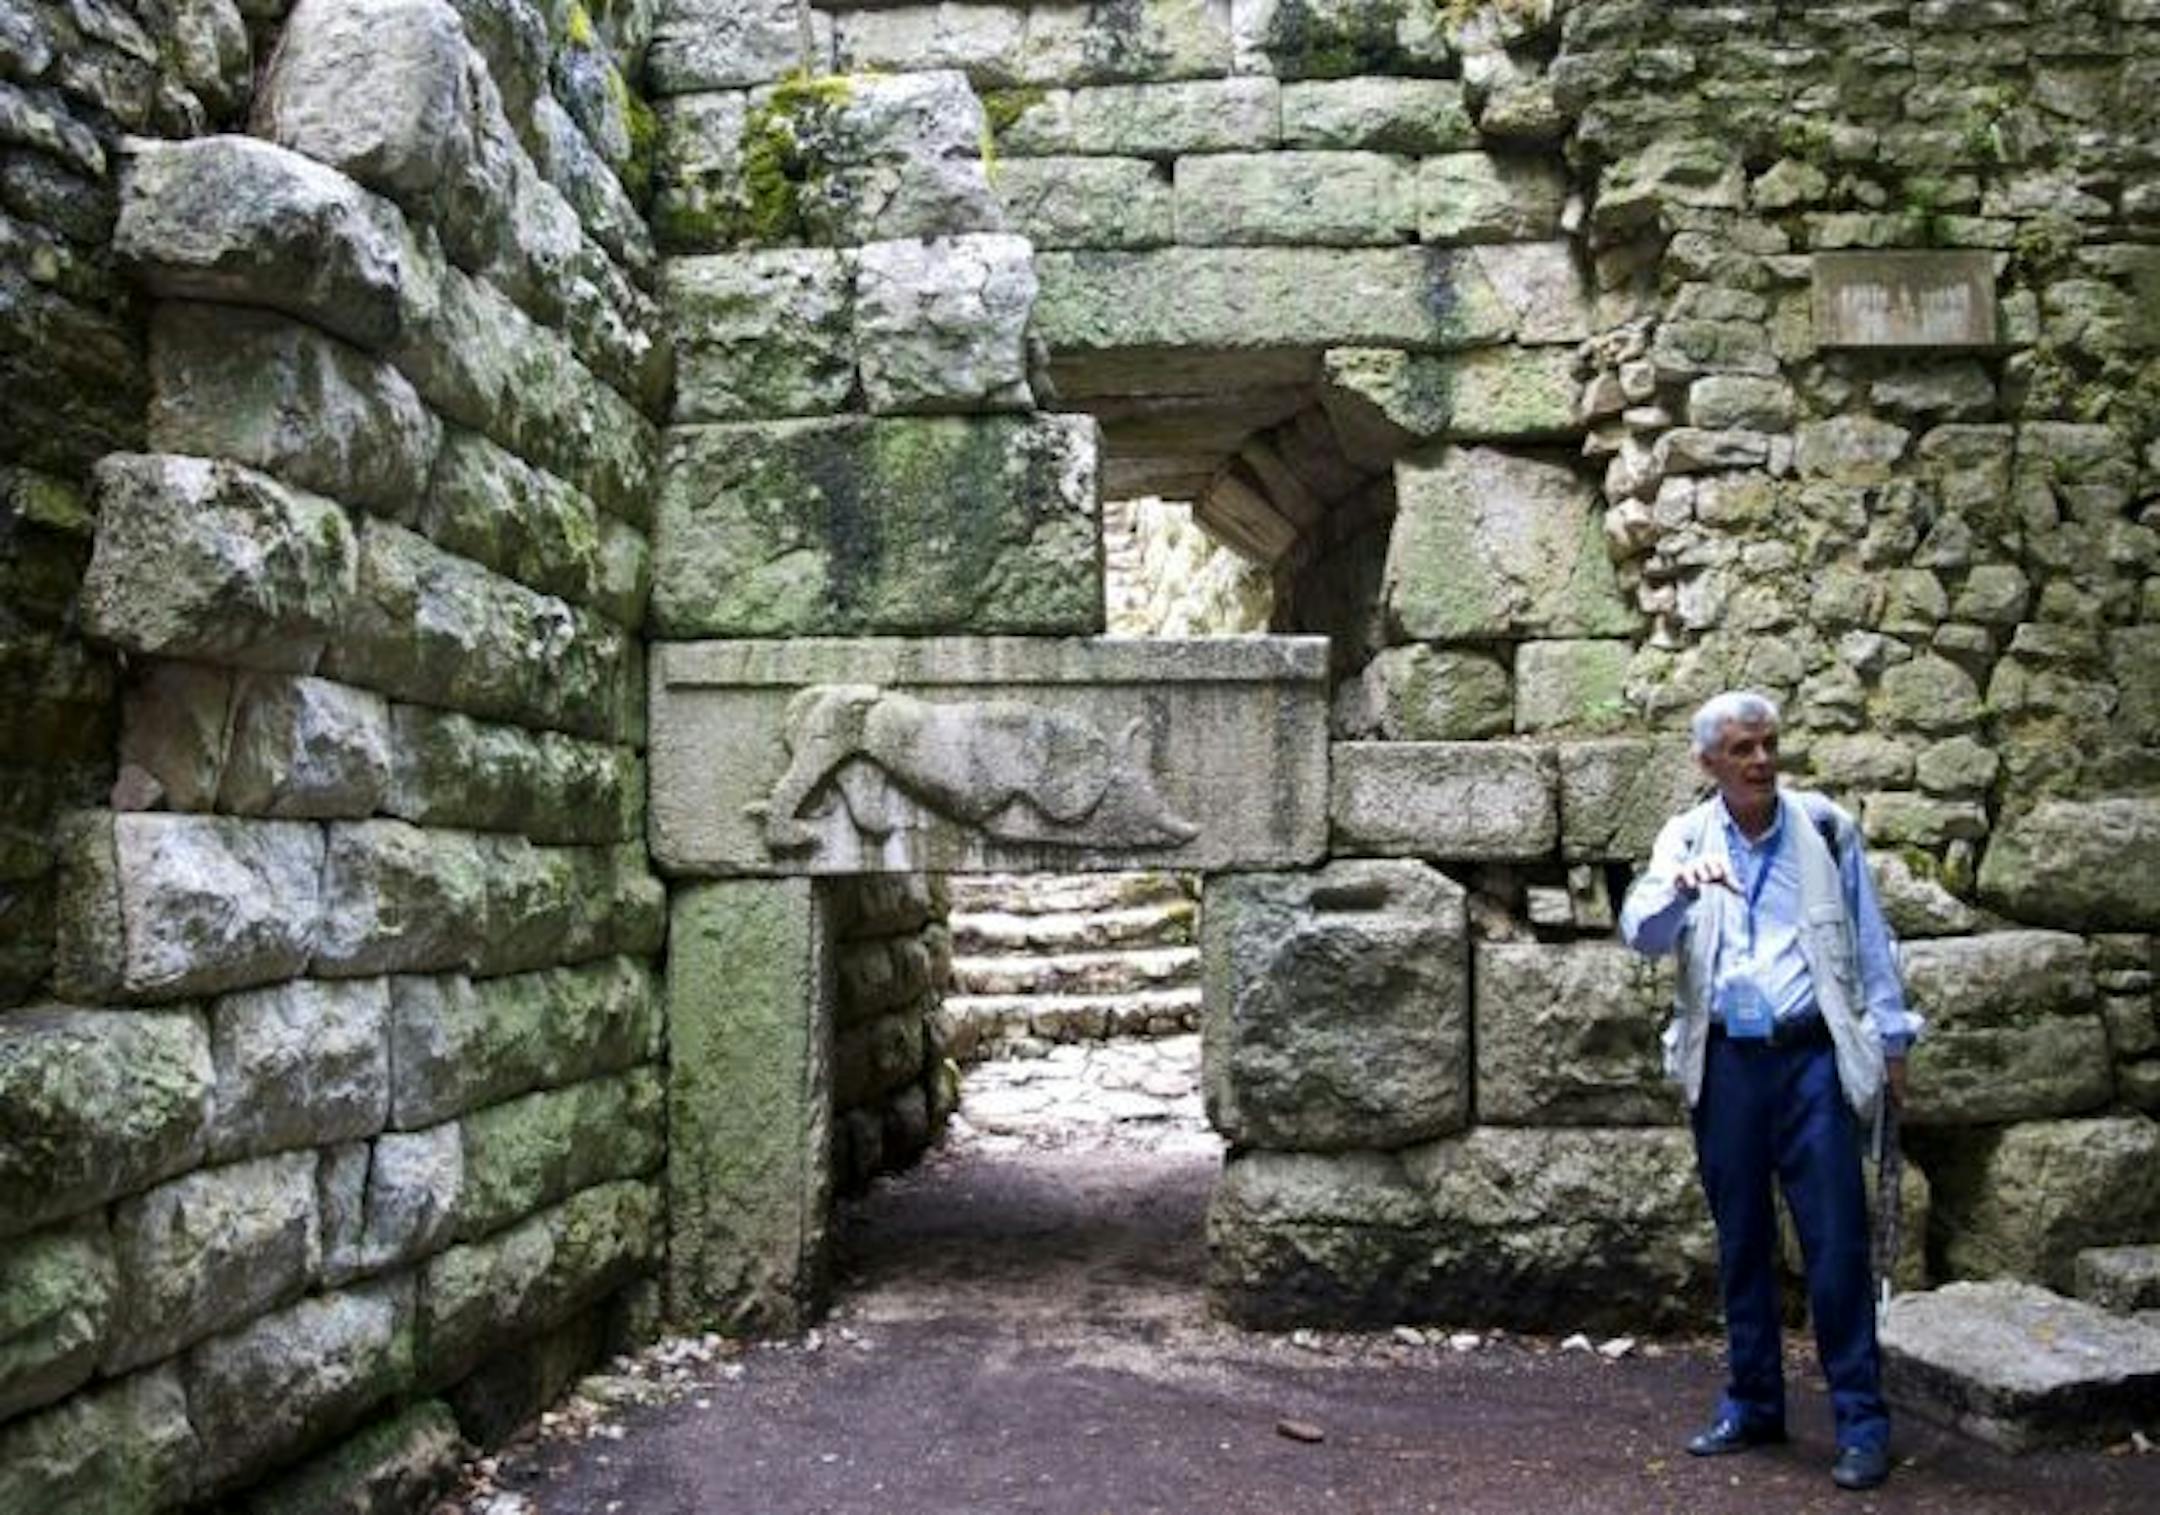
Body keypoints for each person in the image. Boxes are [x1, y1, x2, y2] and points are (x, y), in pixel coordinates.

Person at [1619, 690, 1922, 1493]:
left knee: (1836, 1243)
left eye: (1768, 745)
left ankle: (1861, 1421)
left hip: (1809, 1059)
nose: (1760, 761)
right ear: (1708, 762)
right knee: (1741, 1239)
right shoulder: (1685, 836)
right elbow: (1640, 934)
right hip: (1726, 1063)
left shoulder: (1824, 828)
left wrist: (1892, 1042)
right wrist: (1682, 887)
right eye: (1742, 749)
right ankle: (1754, 1402)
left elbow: (1868, 939)